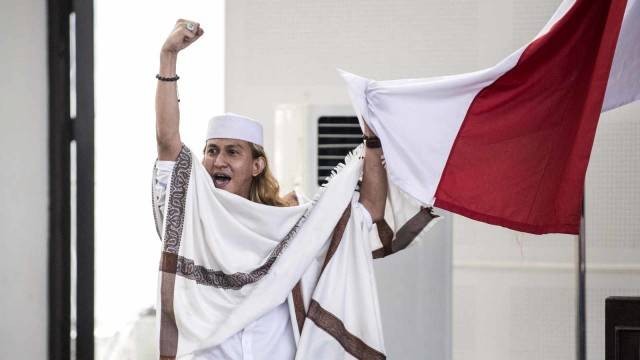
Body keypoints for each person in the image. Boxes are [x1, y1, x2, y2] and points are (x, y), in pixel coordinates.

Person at [153, 19, 389, 359]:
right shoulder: (191, 219)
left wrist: (373, 139)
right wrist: (168, 56)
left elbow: (369, 212)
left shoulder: (292, 225)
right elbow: (167, 142)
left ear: (256, 165)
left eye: (232, 152)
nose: (218, 161)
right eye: (212, 150)